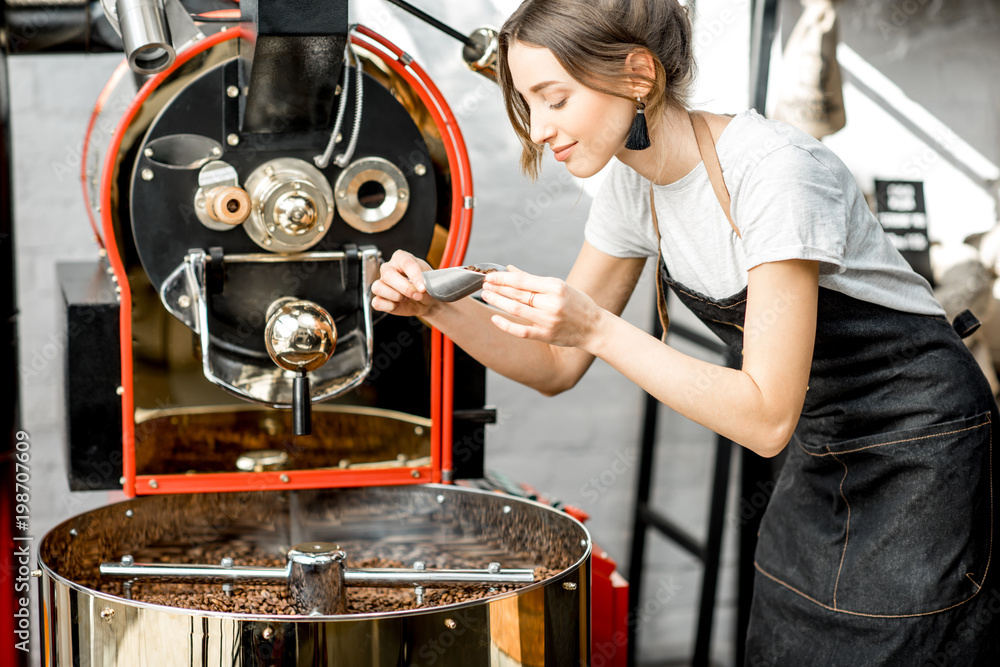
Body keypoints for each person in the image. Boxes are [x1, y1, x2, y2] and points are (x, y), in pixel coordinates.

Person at [372, 0, 999, 663]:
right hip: (825, 448)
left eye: (554, 99)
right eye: (527, 105)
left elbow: (764, 417)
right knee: (788, 638)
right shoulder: (632, 189)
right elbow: (556, 364)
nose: (539, 129)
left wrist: (598, 327)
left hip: (923, 448)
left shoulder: (774, 172)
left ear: (638, 75)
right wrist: (435, 308)